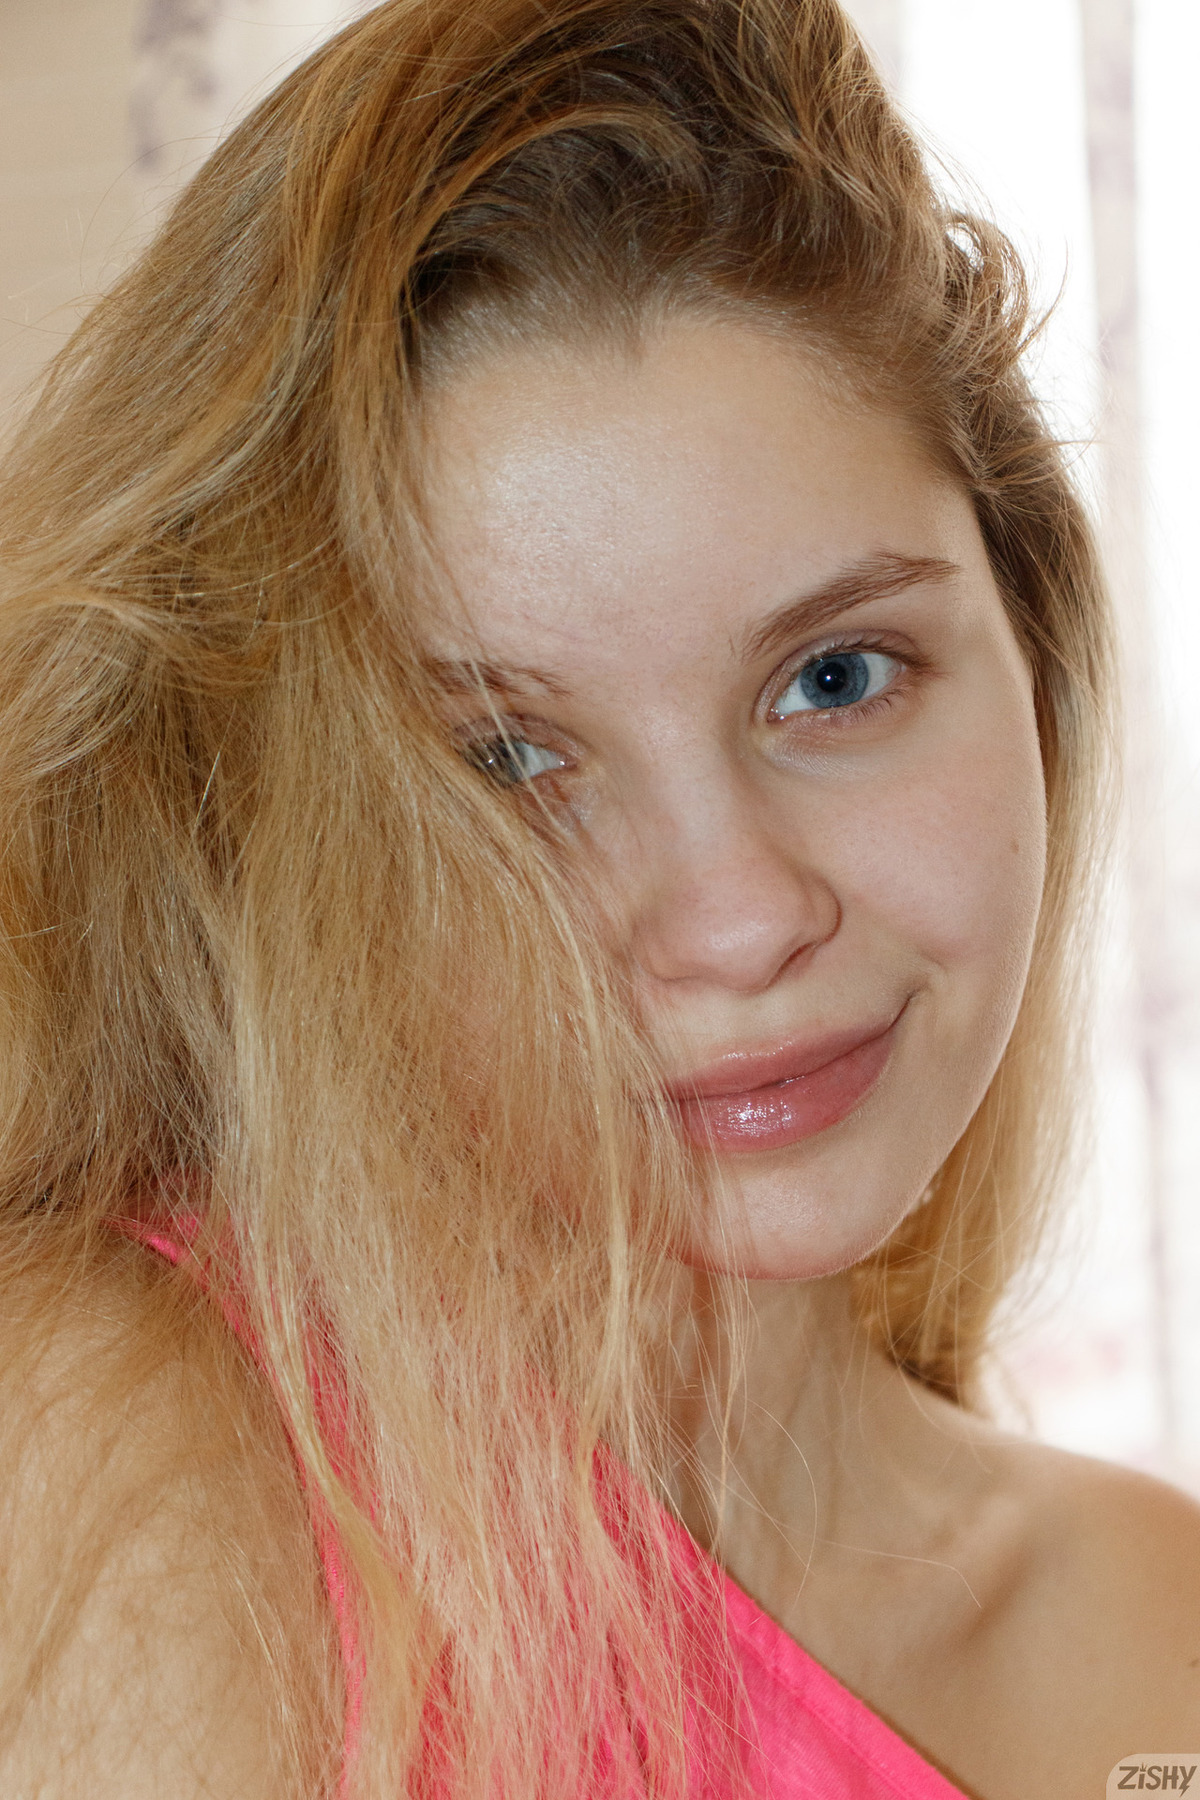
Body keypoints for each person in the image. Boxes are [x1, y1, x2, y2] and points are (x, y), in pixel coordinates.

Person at [0, 0, 1196, 1794]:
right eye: (505, 763)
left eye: (838, 679)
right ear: (251, 839)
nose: (739, 919)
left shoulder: (1158, 1618)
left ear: (1033, 649)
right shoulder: (102, 1442)